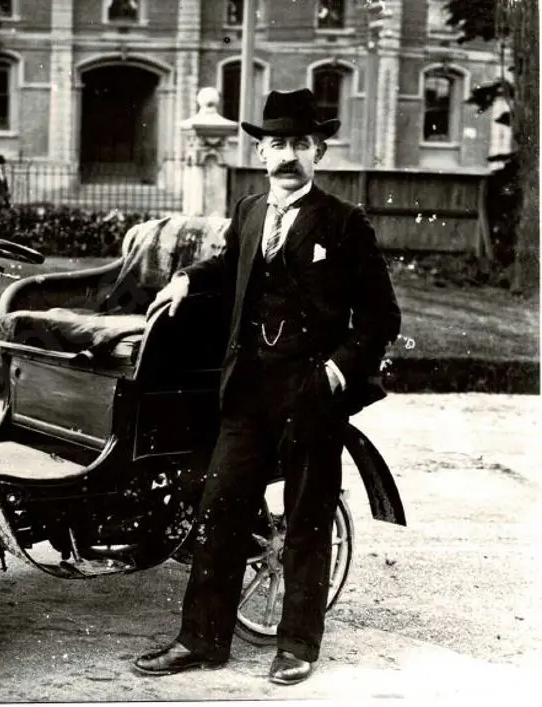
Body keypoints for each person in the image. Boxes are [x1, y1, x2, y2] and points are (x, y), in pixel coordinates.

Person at [133, 88, 401, 685]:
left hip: (312, 392)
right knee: (220, 509)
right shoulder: (252, 209)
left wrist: (334, 371)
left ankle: (298, 645)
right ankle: (201, 640)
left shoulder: (344, 222)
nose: (287, 156)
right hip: (248, 388)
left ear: (319, 153)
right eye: (276, 144)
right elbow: (231, 265)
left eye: (299, 145)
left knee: (306, 517)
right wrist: (185, 279)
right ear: (260, 153)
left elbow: (382, 317)